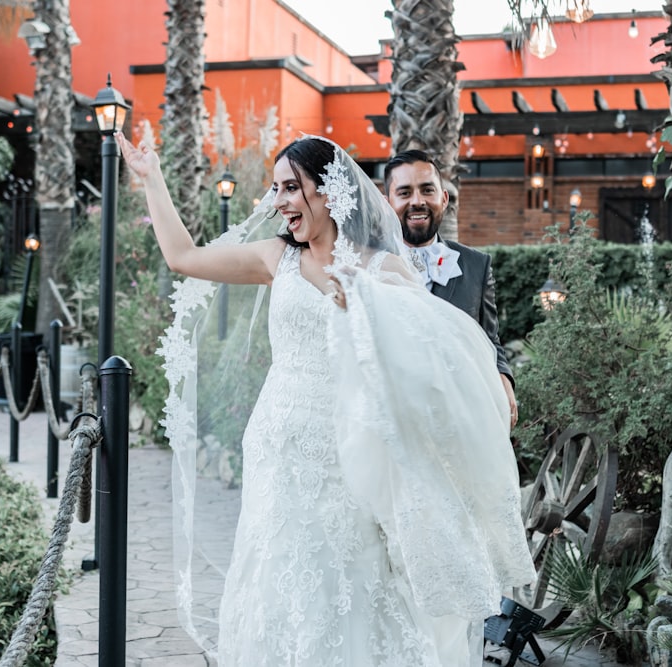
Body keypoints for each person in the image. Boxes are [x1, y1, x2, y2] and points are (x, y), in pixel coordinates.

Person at [117, 131, 535, 667]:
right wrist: (151, 178)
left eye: (292, 187)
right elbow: (183, 256)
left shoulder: (381, 268)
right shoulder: (274, 259)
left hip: (345, 460)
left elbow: (434, 348)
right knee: (275, 577)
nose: (280, 202)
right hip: (277, 451)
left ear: (330, 190)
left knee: (347, 582)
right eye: (276, 190)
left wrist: (364, 306)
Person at [384, 149, 518, 426]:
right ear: (388, 203)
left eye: (427, 190)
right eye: (405, 193)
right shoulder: (369, 265)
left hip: (461, 418)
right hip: (396, 418)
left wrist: (503, 376)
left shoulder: (476, 265)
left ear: (444, 199)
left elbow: (489, 338)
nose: (417, 201)